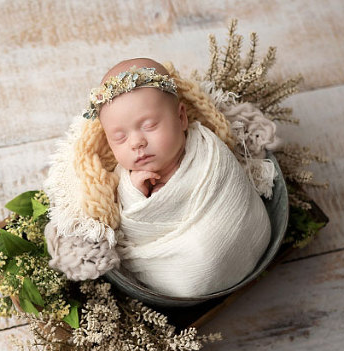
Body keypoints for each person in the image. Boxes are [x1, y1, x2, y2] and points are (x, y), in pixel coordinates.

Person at [83, 57, 271, 298]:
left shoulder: (206, 149)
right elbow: (129, 225)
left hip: (236, 232)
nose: (136, 142)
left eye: (149, 125)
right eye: (119, 138)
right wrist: (136, 193)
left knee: (209, 251)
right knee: (202, 260)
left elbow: (231, 189)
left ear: (181, 118)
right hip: (181, 269)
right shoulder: (124, 179)